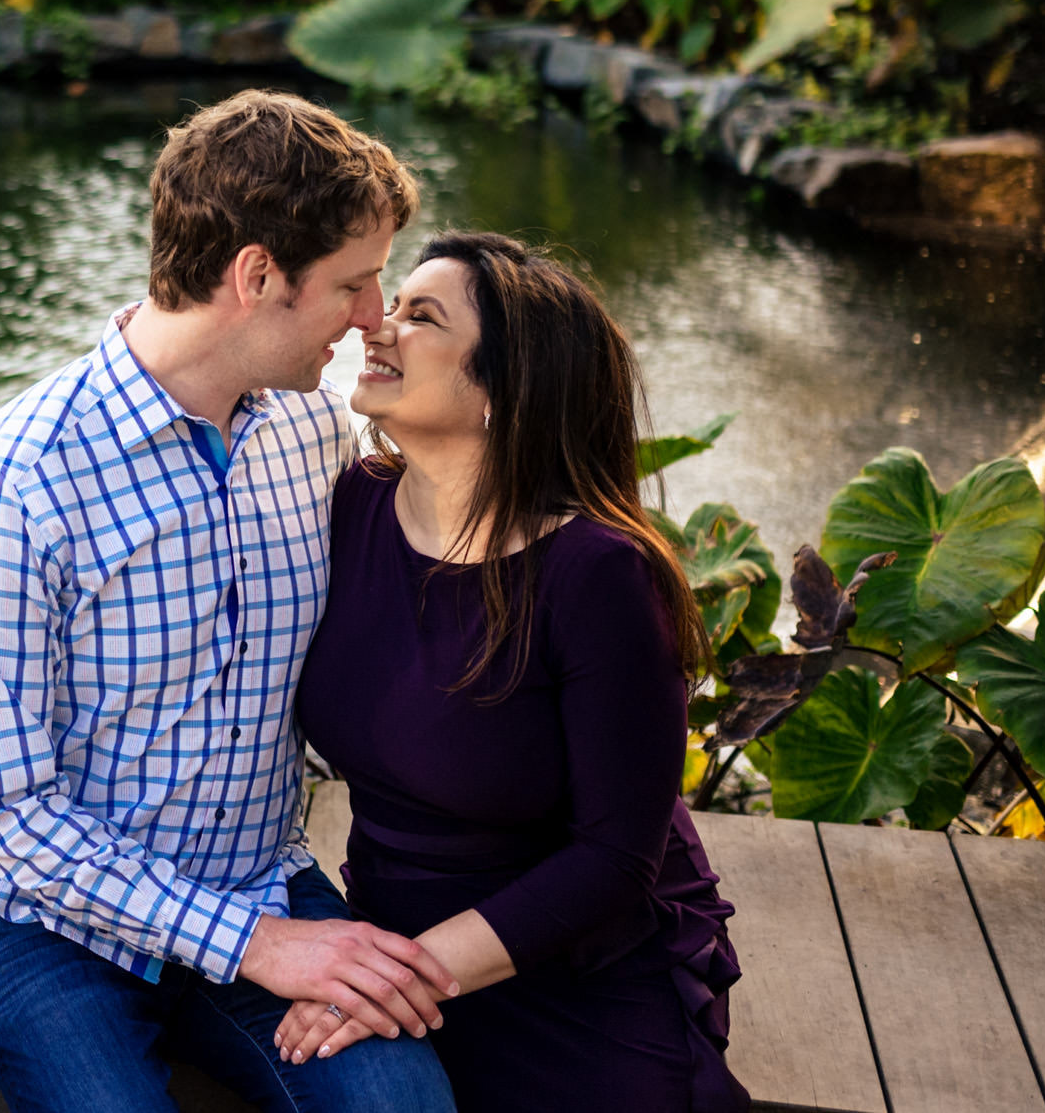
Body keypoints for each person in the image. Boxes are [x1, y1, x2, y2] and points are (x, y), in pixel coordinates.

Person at [0, 89, 458, 1112]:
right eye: (354, 283)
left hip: (254, 875)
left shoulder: (310, 435)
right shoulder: (16, 484)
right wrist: (258, 946)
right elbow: (10, 818)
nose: (372, 317)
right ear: (256, 275)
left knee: (406, 1106)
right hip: (51, 926)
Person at [273, 233, 748, 1113]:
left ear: (501, 387)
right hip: (384, 947)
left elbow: (613, 859)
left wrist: (394, 980)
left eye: (422, 316)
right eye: (393, 301)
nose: (377, 322)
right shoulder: (345, 508)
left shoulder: (599, 574)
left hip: (562, 971)